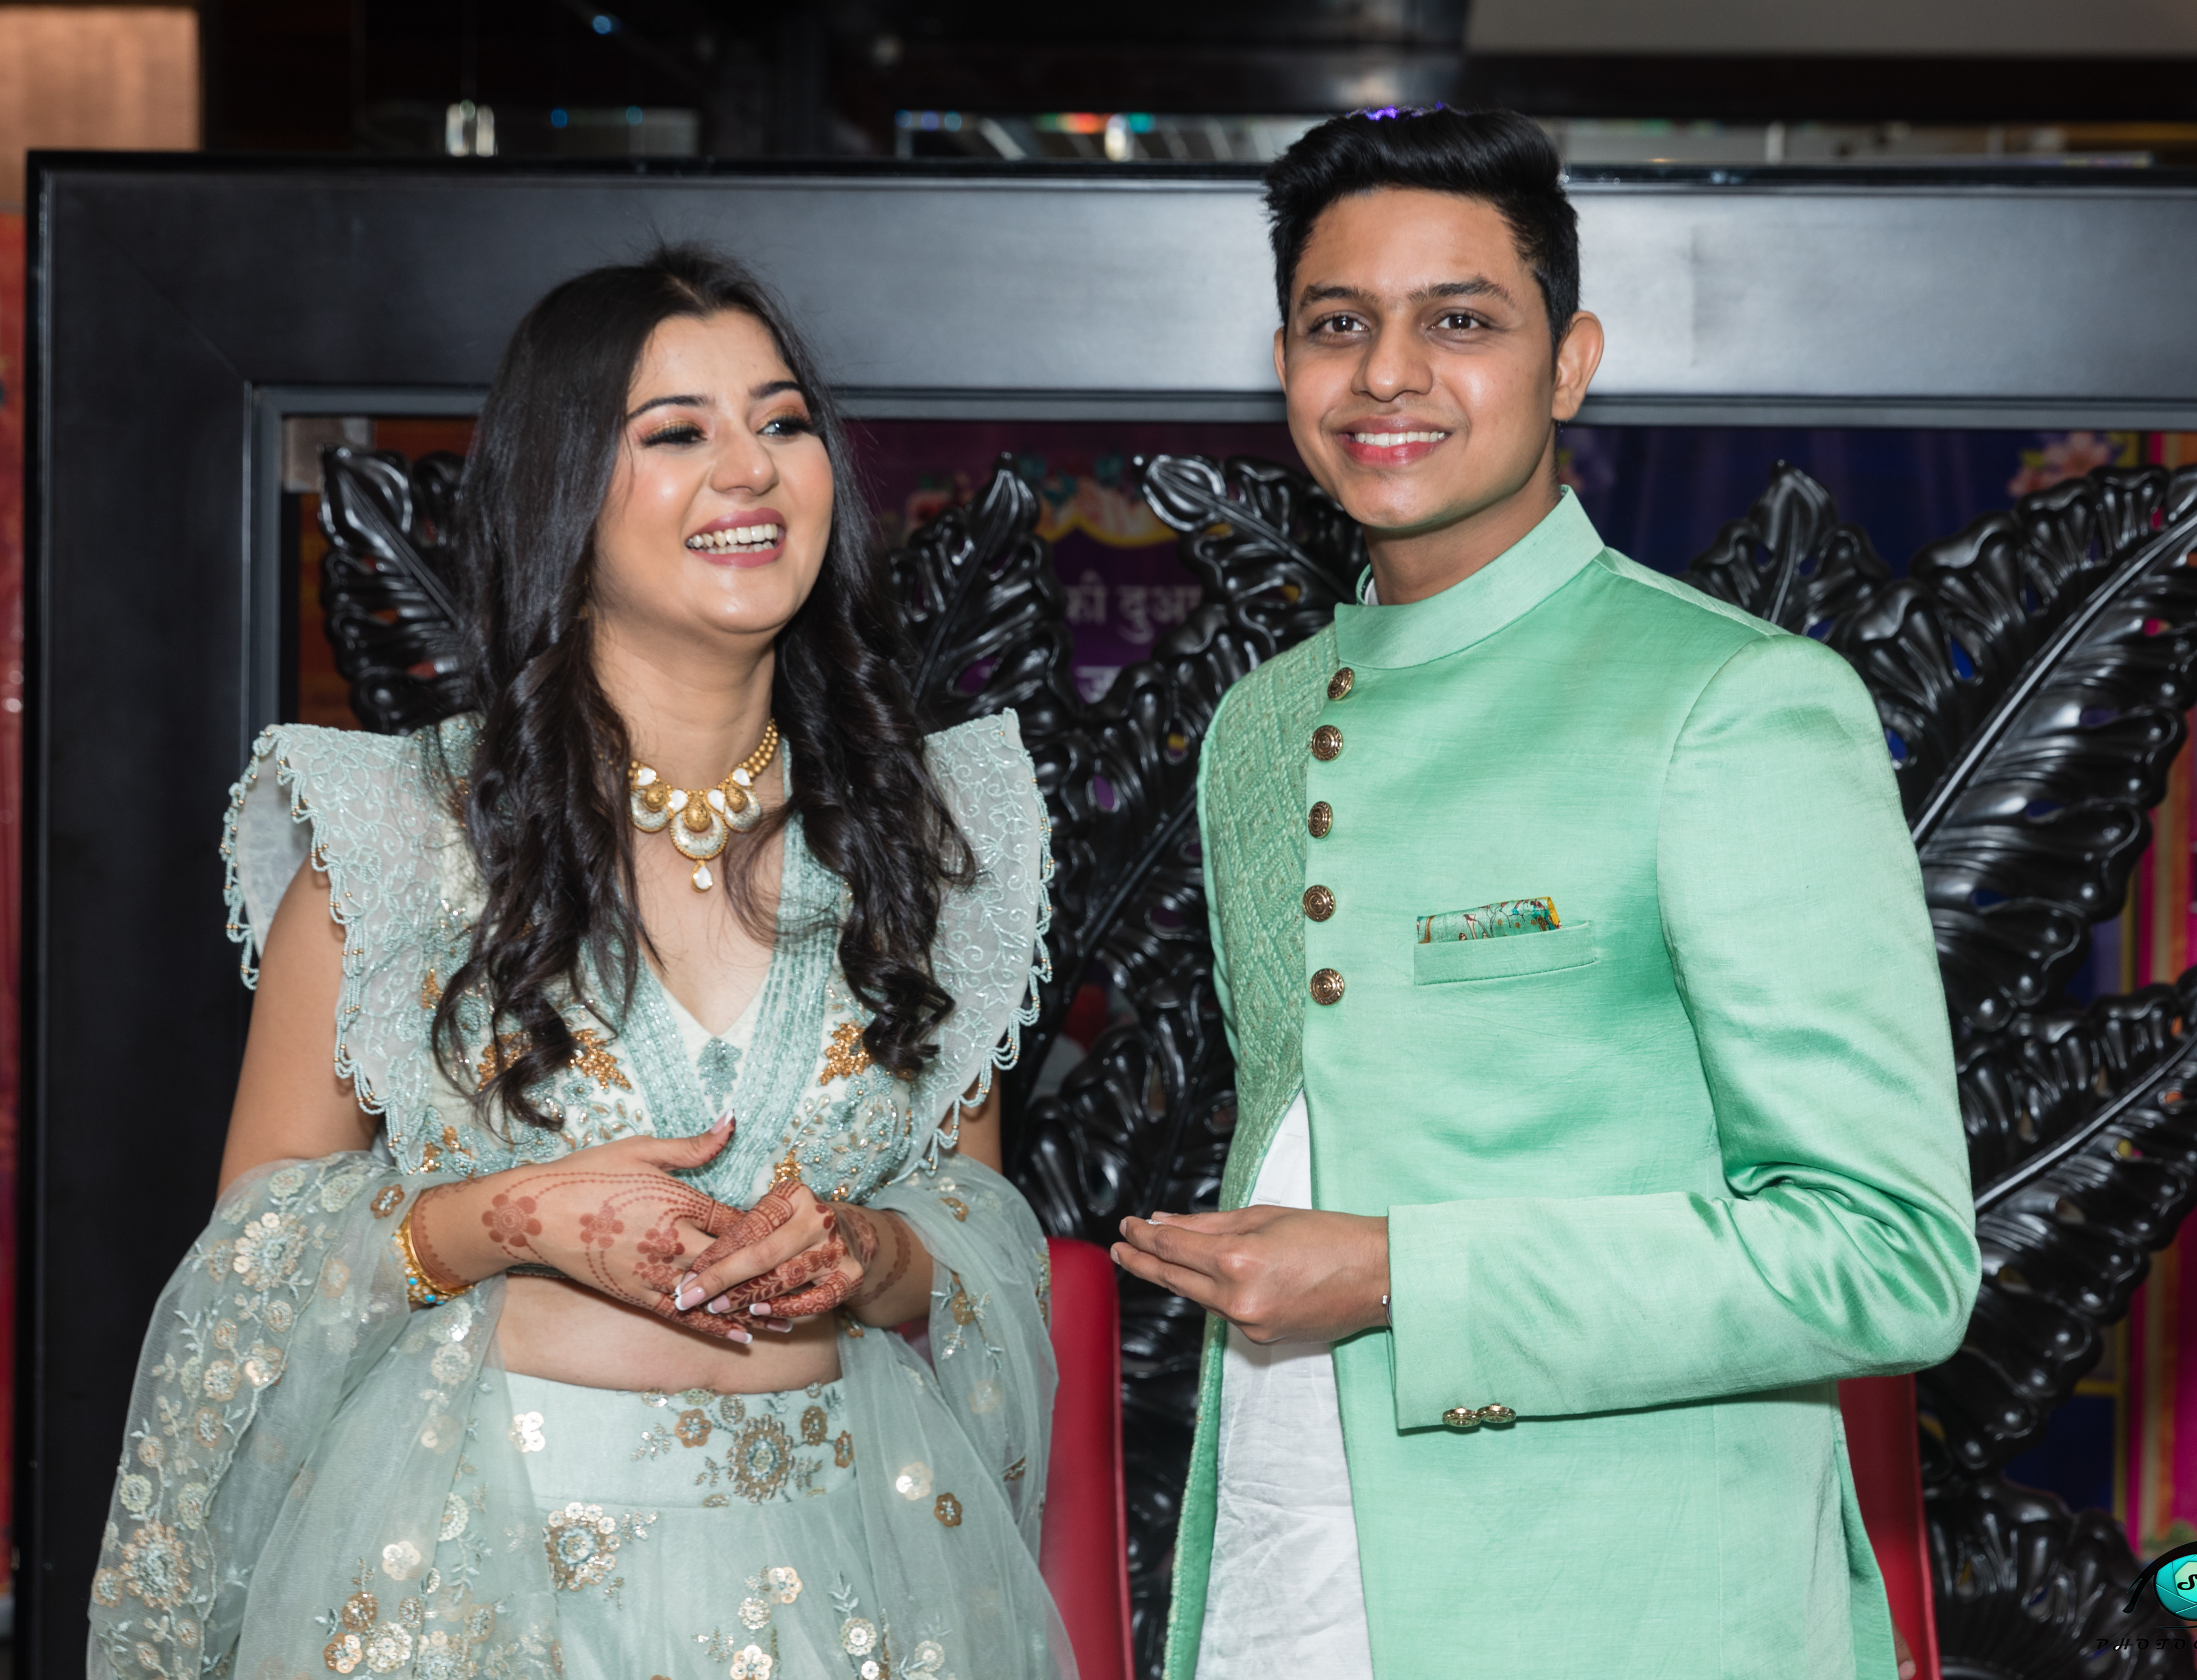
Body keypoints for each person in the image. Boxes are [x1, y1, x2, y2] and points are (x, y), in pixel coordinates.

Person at [91, 248, 1069, 1680]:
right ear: (560, 490)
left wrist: (872, 1251)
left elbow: (973, 1217)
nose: (750, 468)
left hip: (850, 1577)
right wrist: (515, 1216)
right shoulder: (403, 835)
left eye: (783, 421)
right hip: (473, 1585)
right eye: (675, 433)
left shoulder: (924, 833)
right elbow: (252, 1266)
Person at [1110, 107, 1981, 1680]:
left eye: (1460, 322)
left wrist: (1397, 1272)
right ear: (1285, 365)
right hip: (1285, 1575)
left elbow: (1888, 1255)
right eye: (1337, 325)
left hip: (1630, 1610)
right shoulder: (1259, 728)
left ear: (1569, 363)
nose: (1387, 373)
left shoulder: (1732, 703)